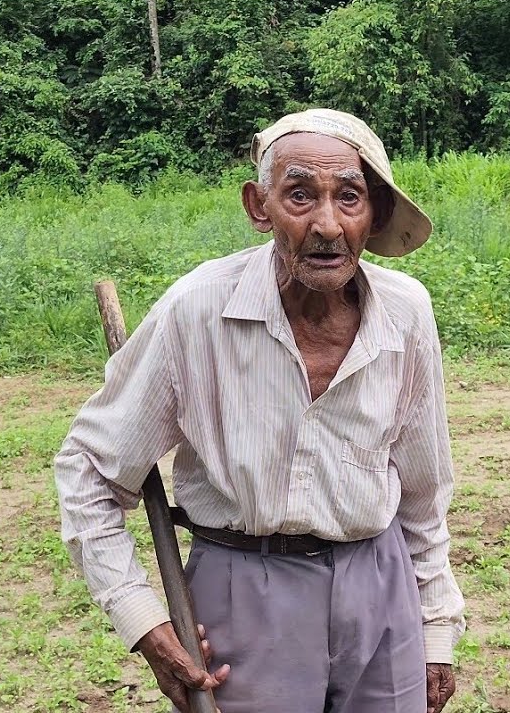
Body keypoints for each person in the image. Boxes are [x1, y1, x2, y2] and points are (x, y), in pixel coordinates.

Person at [54, 108, 465, 713]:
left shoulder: (406, 312)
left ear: (372, 210)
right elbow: (89, 468)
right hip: (244, 591)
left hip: (381, 586)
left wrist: (434, 627)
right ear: (258, 205)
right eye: (300, 195)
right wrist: (141, 619)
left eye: (349, 197)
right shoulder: (199, 310)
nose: (327, 224)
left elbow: (423, 492)